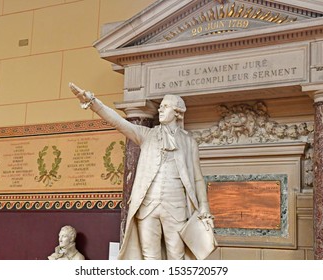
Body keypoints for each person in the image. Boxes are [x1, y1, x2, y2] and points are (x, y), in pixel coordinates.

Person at [70, 82, 215, 260]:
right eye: (160, 107)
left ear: (177, 112)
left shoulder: (189, 142)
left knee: (177, 257)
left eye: (166, 107)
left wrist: (204, 207)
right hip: (147, 206)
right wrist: (93, 102)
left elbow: (198, 178)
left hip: (176, 207)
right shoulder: (147, 135)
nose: (160, 110)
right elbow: (119, 122)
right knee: (149, 258)